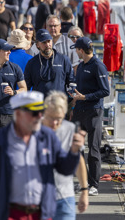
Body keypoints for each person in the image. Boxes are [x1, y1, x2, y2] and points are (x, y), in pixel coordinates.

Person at [0, 91, 84, 220]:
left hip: (42, 214)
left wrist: (74, 151)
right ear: (18, 114)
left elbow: (65, 169)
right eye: (34, 113)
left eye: (41, 112)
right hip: (9, 214)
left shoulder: (47, 136)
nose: (39, 117)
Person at [70, 37, 110, 196]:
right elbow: (80, 89)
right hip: (79, 110)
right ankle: (83, 182)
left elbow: (105, 91)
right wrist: (74, 101)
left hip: (93, 111)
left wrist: (85, 97)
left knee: (93, 149)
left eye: (76, 50)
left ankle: (94, 185)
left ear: (81, 50)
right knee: (76, 147)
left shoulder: (98, 66)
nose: (76, 52)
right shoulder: (80, 66)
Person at [43, 91, 89, 219]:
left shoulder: (70, 129)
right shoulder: (33, 130)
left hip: (64, 197)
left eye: (58, 119)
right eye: (50, 118)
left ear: (64, 114)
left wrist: (84, 191)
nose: (54, 123)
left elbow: (79, 161)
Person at [24, 29, 74, 97]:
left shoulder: (63, 59)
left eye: (49, 41)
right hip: (39, 104)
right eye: (44, 42)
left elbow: (71, 81)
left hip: (59, 103)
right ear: (37, 45)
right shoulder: (31, 63)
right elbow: (27, 86)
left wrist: (71, 99)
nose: (47, 45)